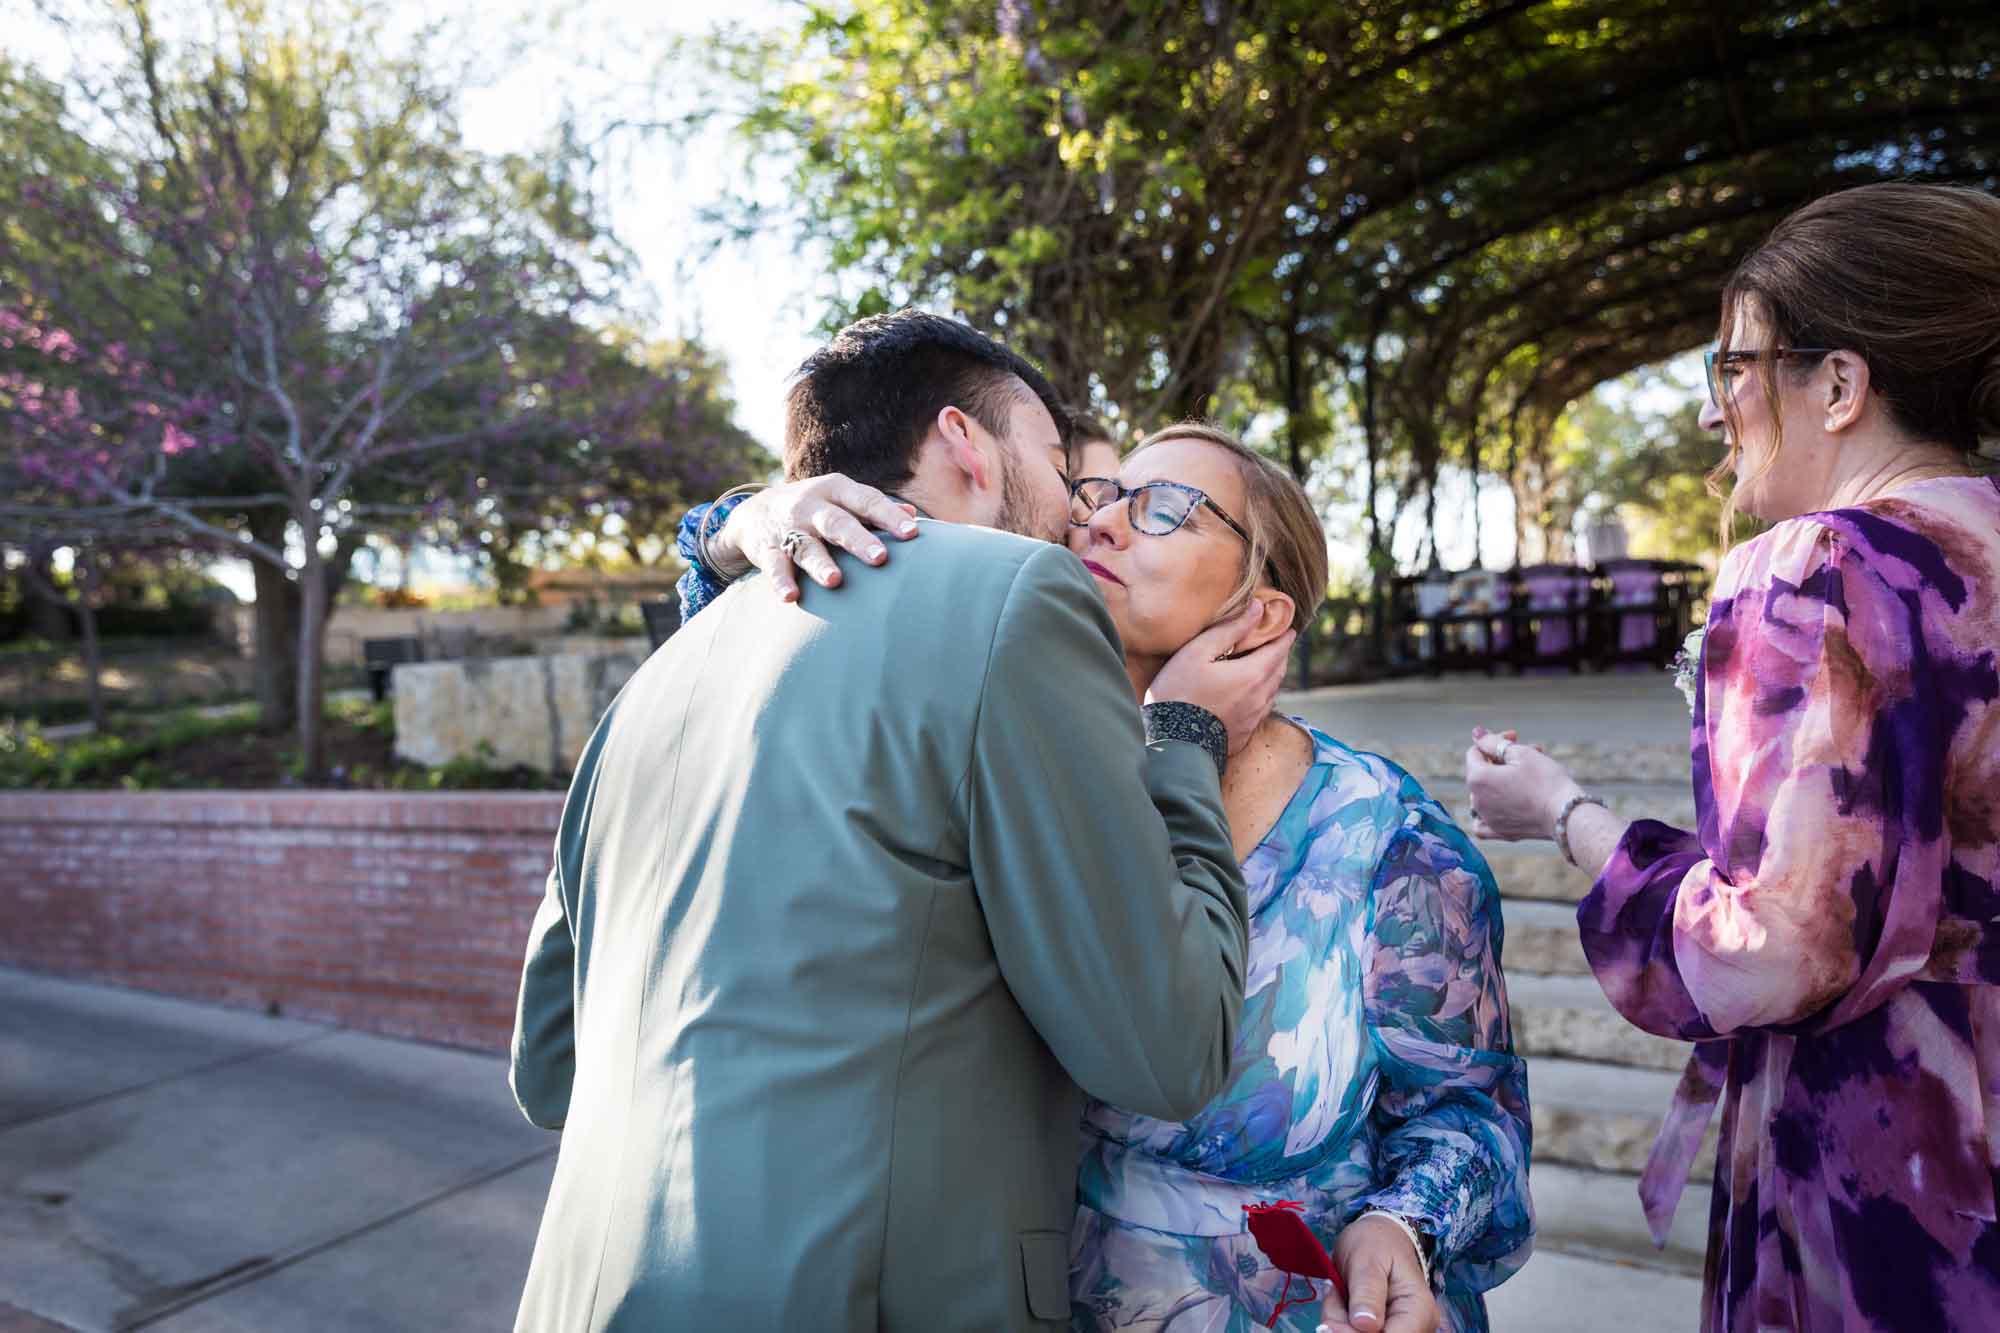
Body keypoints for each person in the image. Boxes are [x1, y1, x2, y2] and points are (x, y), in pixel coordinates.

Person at [509, 311, 1296, 1331]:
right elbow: (1166, 1051)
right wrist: (1184, 733)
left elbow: (547, 1069)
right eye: (1060, 467)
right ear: (966, 444)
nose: (1073, 513)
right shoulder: (1015, 593)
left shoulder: (657, 680)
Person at [689, 423, 1533, 1331]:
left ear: (1262, 613)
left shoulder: (1388, 841)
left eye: (1166, 510)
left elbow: (1469, 1114)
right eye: (1098, 498)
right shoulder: (1032, 782)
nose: (1104, 525)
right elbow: (790, 616)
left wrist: (1402, 1227)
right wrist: (743, 519)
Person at [1465, 181, 2000, 1331]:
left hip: (1897, 1159)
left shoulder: (1812, 569)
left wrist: (1565, 813)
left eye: (1732, 368)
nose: (1715, 412)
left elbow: (1764, 953)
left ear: (1840, 385)